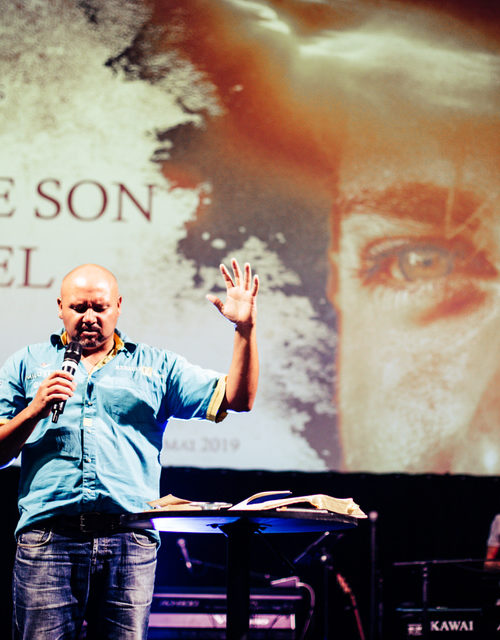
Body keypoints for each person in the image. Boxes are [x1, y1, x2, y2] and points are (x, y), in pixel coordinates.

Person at [0, 259, 259, 640]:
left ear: (118, 306)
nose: (89, 317)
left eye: (100, 307)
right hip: (49, 539)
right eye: (78, 307)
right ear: (60, 307)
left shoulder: (156, 366)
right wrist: (34, 410)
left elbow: (238, 399)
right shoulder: (26, 363)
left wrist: (244, 329)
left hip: (129, 541)